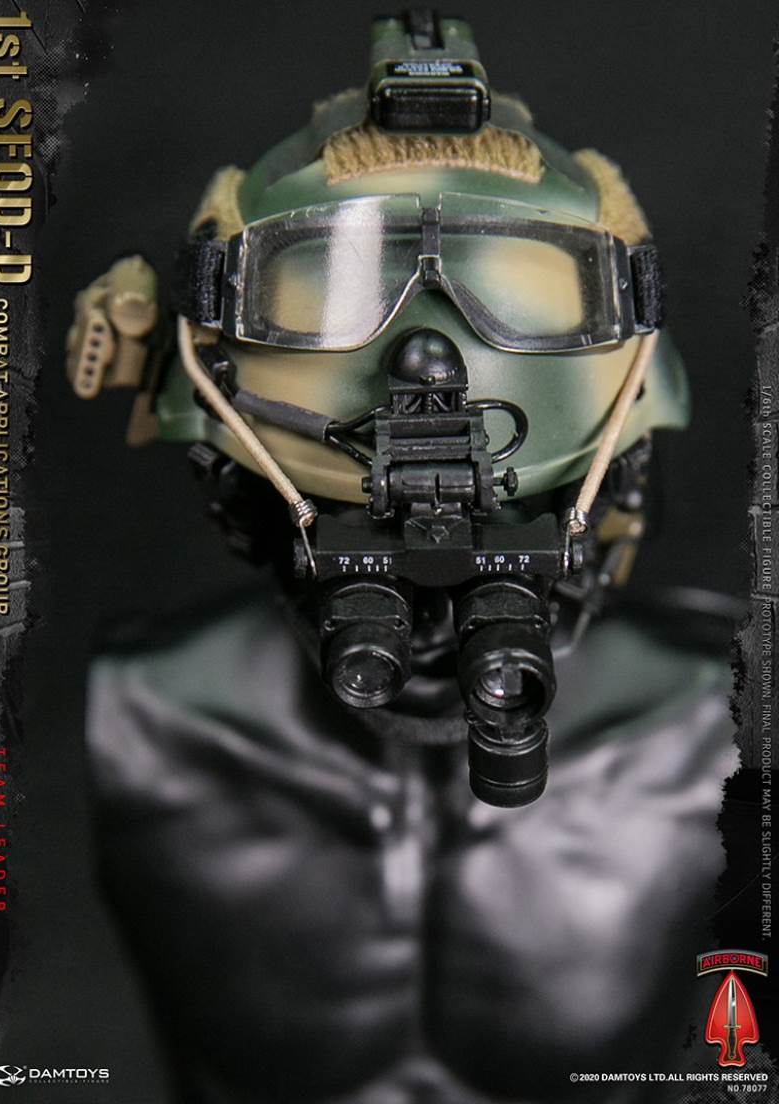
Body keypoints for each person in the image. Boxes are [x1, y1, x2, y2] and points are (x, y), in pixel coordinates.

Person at [69, 12, 737, 1100]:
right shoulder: (143, 708)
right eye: (331, 291)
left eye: (514, 295)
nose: (426, 354)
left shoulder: (717, 715)